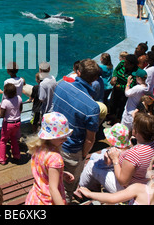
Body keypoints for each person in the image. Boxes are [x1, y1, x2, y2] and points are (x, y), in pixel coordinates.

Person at [52, 58, 101, 202]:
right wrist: (83, 155)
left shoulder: (61, 86)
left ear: (77, 72)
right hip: (72, 151)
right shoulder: (92, 107)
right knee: (67, 189)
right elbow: (90, 139)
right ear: (95, 78)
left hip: (52, 143)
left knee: (51, 179)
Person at [77, 153, 154, 205]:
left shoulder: (139, 189)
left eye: (150, 165)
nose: (147, 167)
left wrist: (89, 194)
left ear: (153, 175)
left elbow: (113, 198)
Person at [25, 112, 74, 205]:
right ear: (52, 137)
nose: (66, 140)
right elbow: (53, 189)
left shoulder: (38, 147)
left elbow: (44, 172)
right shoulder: (55, 158)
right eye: (62, 137)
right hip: (48, 201)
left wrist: (61, 174)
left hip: (35, 197)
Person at [107, 112, 154, 189]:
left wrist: (115, 159)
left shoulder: (134, 153)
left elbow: (123, 182)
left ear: (137, 131)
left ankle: (87, 192)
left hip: (130, 188)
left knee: (94, 165)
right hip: (146, 182)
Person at [78, 123, 131, 194]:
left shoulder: (114, 152)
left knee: (92, 164)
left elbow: (107, 162)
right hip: (127, 181)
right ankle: (93, 185)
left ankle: (81, 186)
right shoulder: (129, 150)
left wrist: (103, 155)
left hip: (120, 188)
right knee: (99, 155)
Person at [108, 54, 138, 123]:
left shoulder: (135, 72)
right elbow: (116, 70)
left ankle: (117, 120)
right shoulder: (122, 63)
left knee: (120, 106)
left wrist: (120, 87)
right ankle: (111, 117)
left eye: (126, 63)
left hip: (124, 92)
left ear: (132, 65)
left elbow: (132, 85)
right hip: (116, 88)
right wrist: (114, 77)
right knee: (112, 103)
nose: (124, 64)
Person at [0, 83, 22, 165]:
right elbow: (20, 109)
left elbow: (2, 115)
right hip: (17, 122)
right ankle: (17, 155)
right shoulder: (19, 98)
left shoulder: (5, 102)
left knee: (3, 140)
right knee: (13, 138)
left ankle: (2, 159)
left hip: (8, 124)